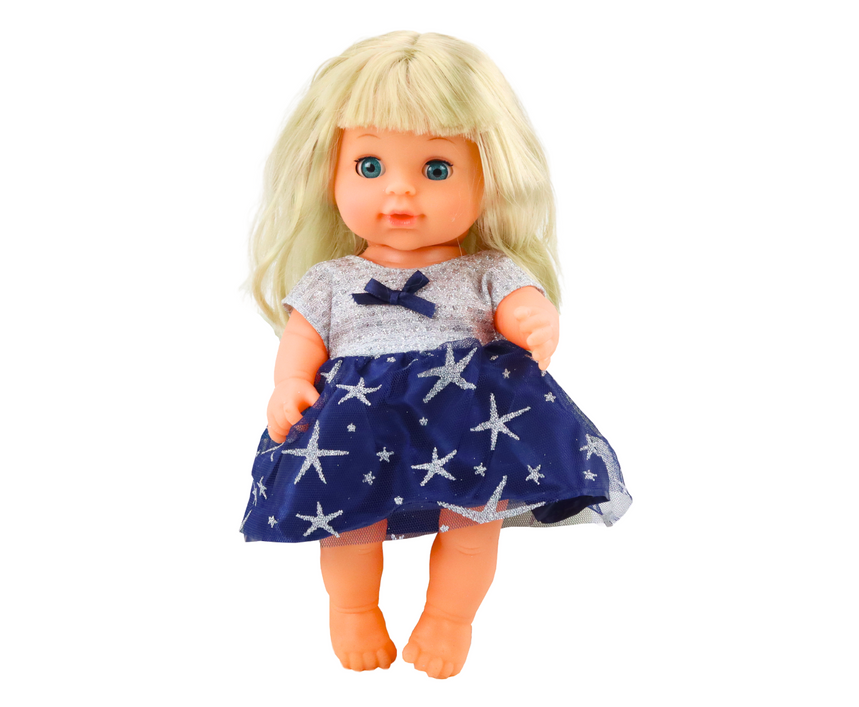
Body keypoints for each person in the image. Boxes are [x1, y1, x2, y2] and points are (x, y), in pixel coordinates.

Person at [241, 31, 631, 679]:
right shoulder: (330, 280)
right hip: (360, 421)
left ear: (491, 179)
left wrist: (533, 319)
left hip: (471, 418)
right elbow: (301, 342)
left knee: (473, 524)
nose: (401, 193)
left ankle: (450, 618)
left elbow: (522, 306)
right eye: (370, 167)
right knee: (348, 525)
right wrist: (289, 385)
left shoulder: (487, 269)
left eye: (436, 169)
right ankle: (352, 610)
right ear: (329, 173)